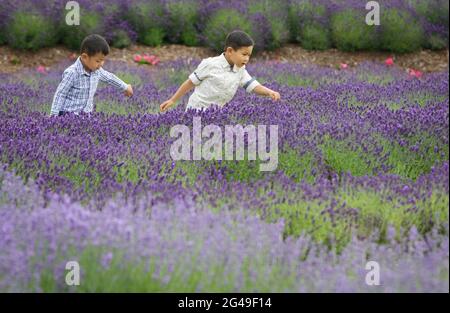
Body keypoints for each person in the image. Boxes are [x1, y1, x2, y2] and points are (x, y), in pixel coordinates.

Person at [160, 30, 280, 112]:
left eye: (249, 55)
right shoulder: (210, 64)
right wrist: (172, 100)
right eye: (244, 54)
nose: (247, 59)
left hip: (217, 114)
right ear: (230, 51)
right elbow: (190, 83)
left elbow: (253, 86)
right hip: (196, 111)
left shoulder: (240, 69)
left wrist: (269, 92)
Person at [50, 34, 133, 116]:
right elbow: (60, 94)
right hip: (67, 116)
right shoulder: (72, 72)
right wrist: (54, 116)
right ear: (84, 57)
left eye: (103, 60)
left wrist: (125, 87)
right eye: (98, 61)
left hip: (86, 116)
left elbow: (110, 78)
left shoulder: (97, 71)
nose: (101, 64)